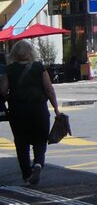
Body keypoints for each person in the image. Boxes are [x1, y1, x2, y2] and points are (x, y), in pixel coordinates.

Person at [1, 39, 61, 186]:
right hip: (39, 109)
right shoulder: (39, 67)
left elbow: (2, 91)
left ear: (14, 53)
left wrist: (9, 97)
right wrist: (56, 109)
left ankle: (27, 175)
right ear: (31, 52)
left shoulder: (10, 69)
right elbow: (49, 89)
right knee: (40, 141)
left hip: (18, 111)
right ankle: (38, 164)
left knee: (21, 144)